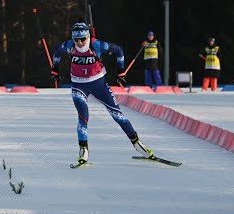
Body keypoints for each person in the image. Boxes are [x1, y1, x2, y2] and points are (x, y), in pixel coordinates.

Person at [50, 22, 155, 165]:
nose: (80, 43)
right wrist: (55, 70)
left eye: (83, 39)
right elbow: (56, 53)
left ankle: (137, 144)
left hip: (99, 84)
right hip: (79, 85)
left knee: (117, 115)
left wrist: (121, 72)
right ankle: (83, 150)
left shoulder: (97, 45)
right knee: (83, 116)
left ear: (88, 36)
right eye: (77, 40)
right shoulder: (69, 46)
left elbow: (118, 51)